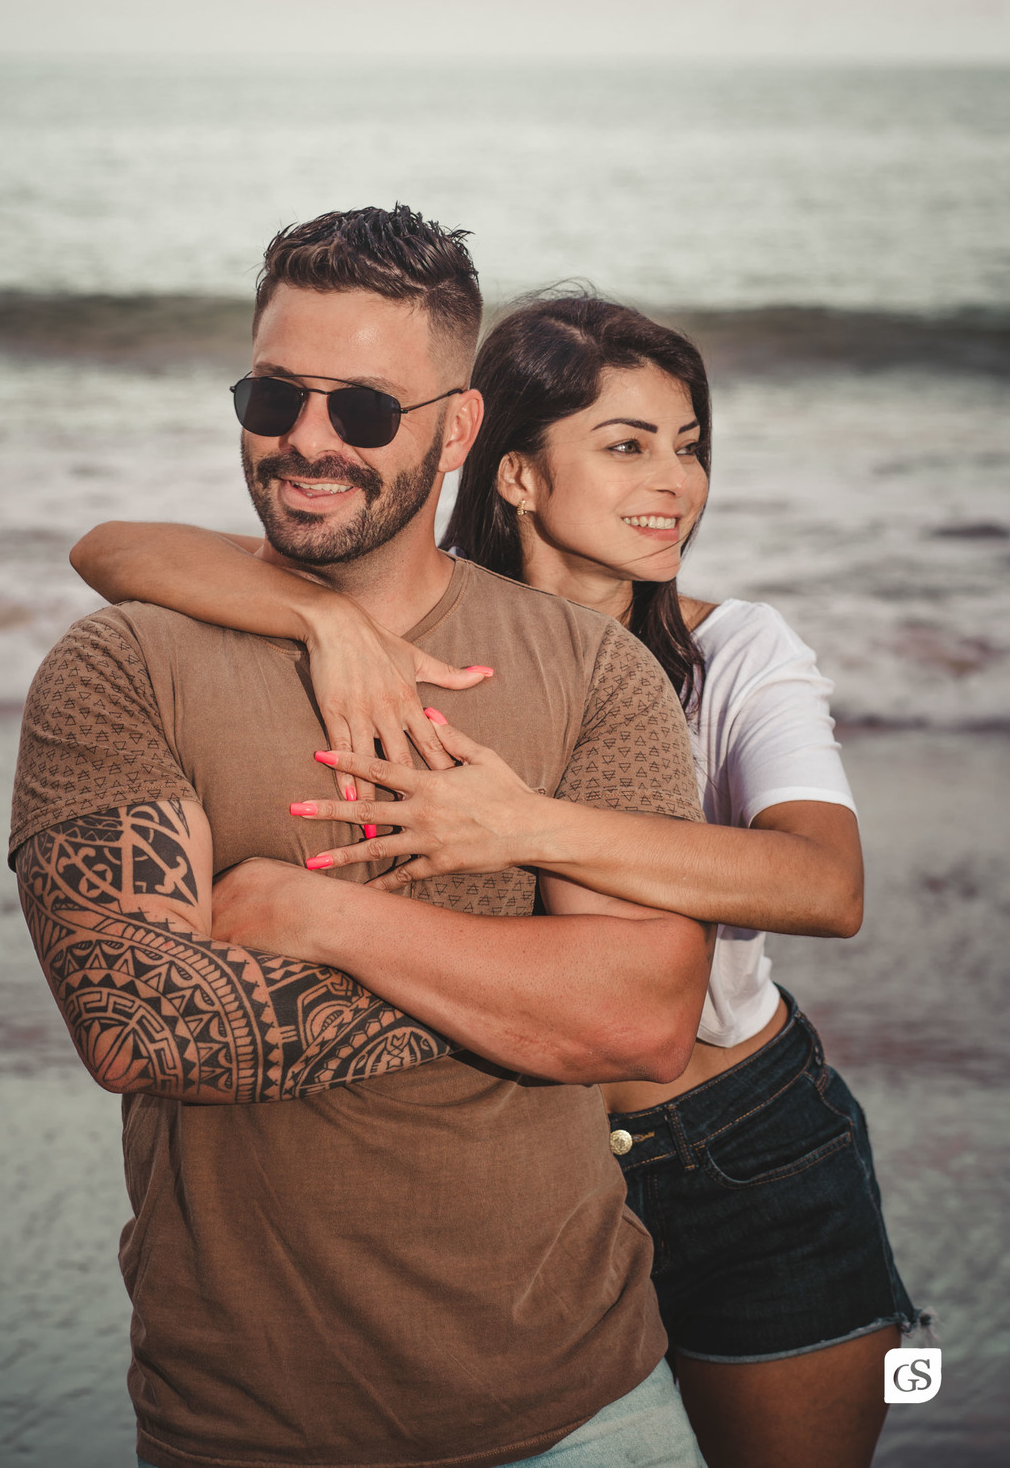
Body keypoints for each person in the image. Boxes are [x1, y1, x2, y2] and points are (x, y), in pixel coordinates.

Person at [74, 292, 922, 1468]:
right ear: (515, 473)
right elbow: (114, 549)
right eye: (627, 446)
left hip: (741, 1145)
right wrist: (323, 626)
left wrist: (527, 825)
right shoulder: (426, 611)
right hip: (538, 1168)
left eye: (690, 448)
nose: (675, 482)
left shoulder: (735, 652)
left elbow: (828, 886)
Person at [13, 208, 716, 1468]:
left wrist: (310, 910)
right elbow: (145, 1023)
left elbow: (645, 1024)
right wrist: (529, 994)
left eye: (365, 412)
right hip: (249, 1423)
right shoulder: (124, 662)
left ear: (455, 429)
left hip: (589, 1407)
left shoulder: (594, 669)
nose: (309, 442)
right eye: (273, 395)